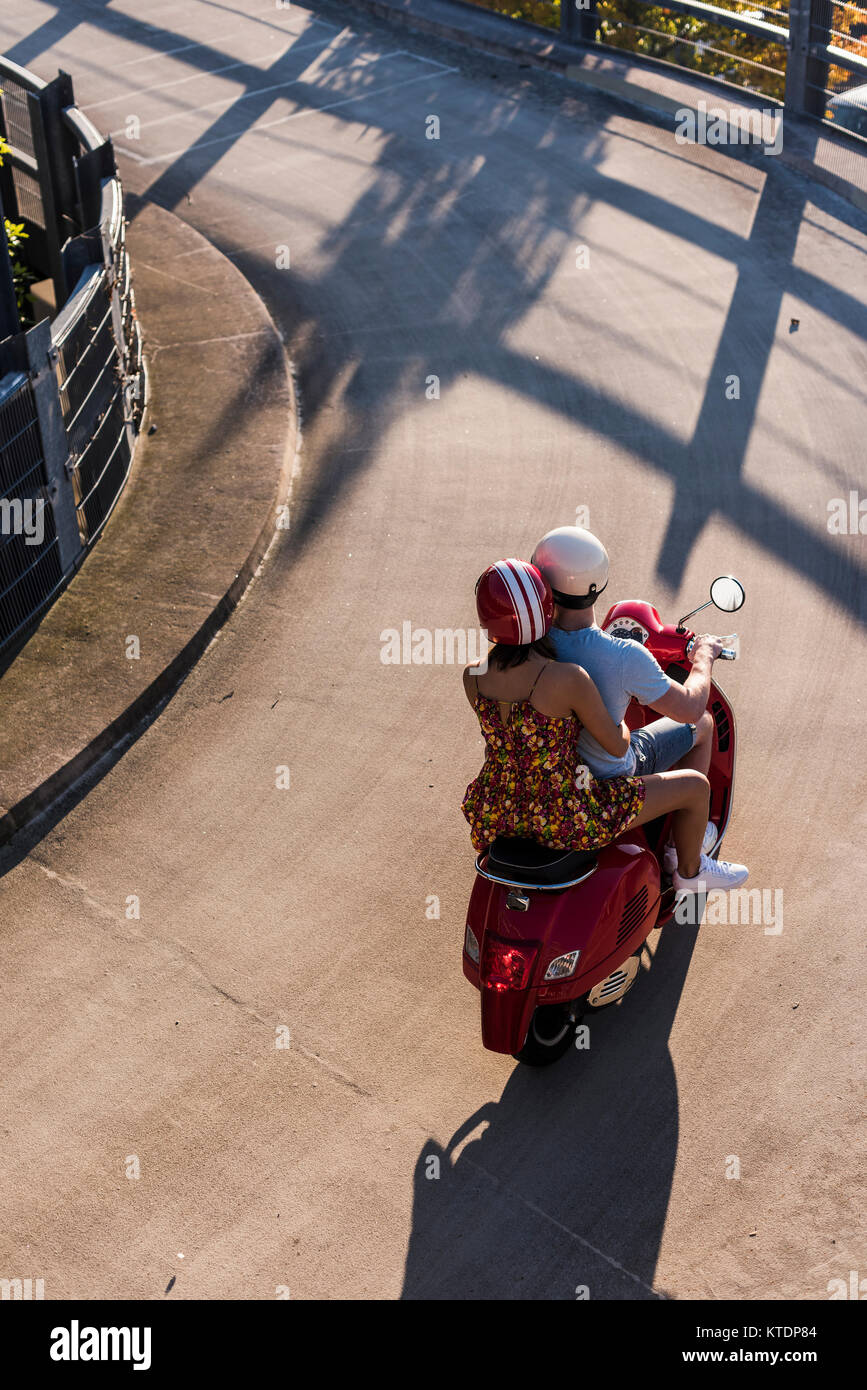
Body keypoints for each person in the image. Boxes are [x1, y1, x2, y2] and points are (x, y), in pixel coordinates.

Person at [530, 525, 748, 893]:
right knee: (705, 725)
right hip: (610, 780)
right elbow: (691, 707)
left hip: (552, 780)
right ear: (597, 586)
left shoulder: (528, 643)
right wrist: (703, 658)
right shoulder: (624, 656)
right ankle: (686, 865)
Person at [461, 558, 647, 856]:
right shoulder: (567, 677)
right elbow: (616, 747)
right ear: (546, 608)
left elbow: (499, 745)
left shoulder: (473, 675)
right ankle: (691, 874)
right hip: (564, 817)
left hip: (494, 812)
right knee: (694, 787)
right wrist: (622, 723)